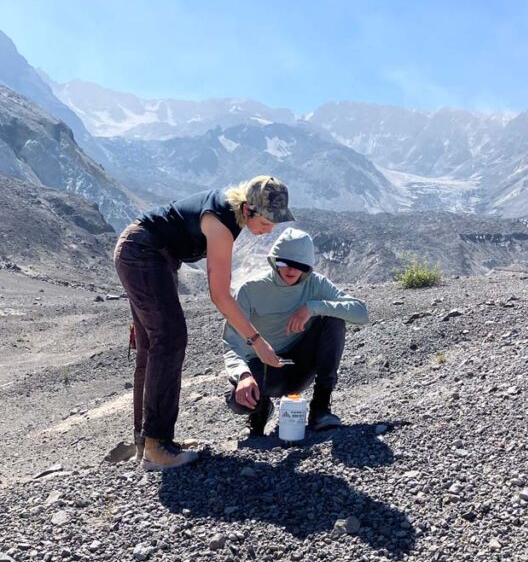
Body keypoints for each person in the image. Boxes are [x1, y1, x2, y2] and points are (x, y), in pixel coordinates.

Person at [114, 176, 294, 470]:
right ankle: (156, 445)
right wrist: (257, 341)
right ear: (248, 208)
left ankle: (148, 441)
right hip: (142, 253)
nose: (270, 227)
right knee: (170, 340)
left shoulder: (230, 213)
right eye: (267, 219)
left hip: (146, 253)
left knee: (153, 347)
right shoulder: (221, 223)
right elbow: (220, 296)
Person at [222, 228, 369, 436]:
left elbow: (361, 312)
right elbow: (231, 342)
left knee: (334, 319)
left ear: (307, 268)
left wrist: (312, 307)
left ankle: (320, 408)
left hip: (299, 366)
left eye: (299, 266)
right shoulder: (250, 290)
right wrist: (243, 375)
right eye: (284, 263)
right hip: (263, 368)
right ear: (274, 260)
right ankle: (260, 409)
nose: (291, 270)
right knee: (238, 401)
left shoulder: (315, 284)